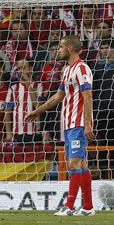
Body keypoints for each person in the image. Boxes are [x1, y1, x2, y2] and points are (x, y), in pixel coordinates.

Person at [25, 35, 95, 216]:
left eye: (61, 47)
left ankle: (69, 206)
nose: (58, 50)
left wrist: (87, 124)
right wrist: (37, 111)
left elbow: (88, 96)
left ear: (70, 48)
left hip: (79, 123)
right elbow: (58, 96)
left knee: (73, 163)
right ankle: (88, 207)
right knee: (81, 164)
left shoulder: (82, 68)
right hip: (69, 124)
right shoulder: (67, 71)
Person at [4, 58, 43, 145]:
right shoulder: (13, 88)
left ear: (30, 68)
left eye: (24, 68)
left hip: (34, 133)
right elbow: (7, 112)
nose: (21, 71)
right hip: (17, 133)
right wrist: (9, 133)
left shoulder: (38, 86)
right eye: (19, 68)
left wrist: (28, 84)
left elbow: (38, 106)